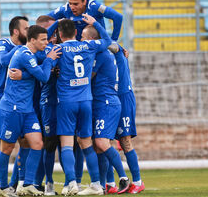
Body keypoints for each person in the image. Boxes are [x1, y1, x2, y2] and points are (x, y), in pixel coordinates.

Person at [0, 25, 61, 197]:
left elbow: (40, 64)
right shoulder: (24, 55)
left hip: (27, 110)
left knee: (37, 144)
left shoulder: (34, 53)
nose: (46, 42)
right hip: (12, 108)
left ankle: (28, 184)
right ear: (32, 40)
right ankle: (3, 187)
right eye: (43, 39)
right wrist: (49, 60)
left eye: (46, 39)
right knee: (7, 147)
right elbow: (44, 76)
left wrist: (47, 57)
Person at [55, 14, 111, 195]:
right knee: (86, 143)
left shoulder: (59, 48)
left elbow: (41, 56)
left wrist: (54, 25)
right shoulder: (88, 45)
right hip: (86, 100)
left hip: (66, 101)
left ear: (60, 34)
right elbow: (108, 40)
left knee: (66, 144)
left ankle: (72, 183)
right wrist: (95, 24)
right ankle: (96, 184)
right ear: (76, 32)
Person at [80, 25, 130, 194]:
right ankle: (101, 185)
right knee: (97, 146)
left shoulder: (100, 55)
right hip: (99, 103)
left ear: (92, 40)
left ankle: (124, 178)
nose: (81, 40)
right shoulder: (99, 53)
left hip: (106, 104)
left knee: (102, 143)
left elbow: (87, 77)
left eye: (83, 37)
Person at [0, 16, 28, 197]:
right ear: (16, 31)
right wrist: (22, 48)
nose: (29, 31)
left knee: (25, 142)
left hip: (16, 101)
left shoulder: (27, 49)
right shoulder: (4, 44)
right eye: (26, 28)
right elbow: (3, 60)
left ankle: (15, 185)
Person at [107, 43, 145, 194]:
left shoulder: (116, 49)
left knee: (125, 140)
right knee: (105, 140)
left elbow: (114, 43)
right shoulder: (97, 52)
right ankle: (110, 183)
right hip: (108, 97)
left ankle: (137, 181)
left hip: (123, 97)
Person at [47, 0, 122, 41]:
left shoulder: (95, 7)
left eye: (75, 4)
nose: (72, 7)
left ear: (84, 2)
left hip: (97, 48)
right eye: (70, 3)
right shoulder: (65, 9)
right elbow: (45, 20)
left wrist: (114, 40)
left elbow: (118, 17)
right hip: (77, 49)